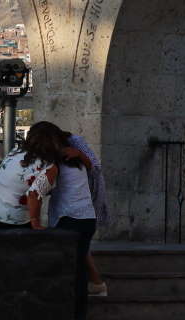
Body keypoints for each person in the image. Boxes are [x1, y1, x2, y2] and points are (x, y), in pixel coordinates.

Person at [48, 129, 110, 310]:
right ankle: (97, 285)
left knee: (78, 254)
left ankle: (92, 288)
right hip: (72, 207)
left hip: (80, 203)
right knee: (81, 251)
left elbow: (96, 166)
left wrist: (79, 154)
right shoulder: (57, 156)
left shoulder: (75, 142)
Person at [0, 121, 66, 229]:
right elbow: (33, 195)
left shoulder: (16, 152)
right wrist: (36, 223)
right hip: (8, 220)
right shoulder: (48, 166)